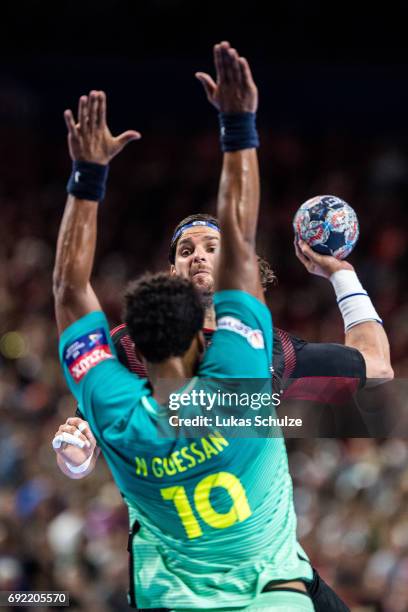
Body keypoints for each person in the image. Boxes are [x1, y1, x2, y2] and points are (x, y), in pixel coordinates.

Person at [54, 41, 318, 611]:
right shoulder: (244, 372)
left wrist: (87, 175)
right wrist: (239, 124)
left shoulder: (114, 410)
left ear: (134, 346)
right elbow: (240, 240)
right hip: (275, 598)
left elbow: (70, 290)